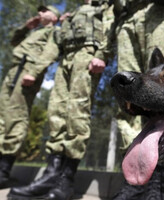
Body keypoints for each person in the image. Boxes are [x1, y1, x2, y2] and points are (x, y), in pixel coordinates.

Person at [8, 1, 114, 200]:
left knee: (77, 112)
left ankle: (66, 180)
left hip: (87, 54)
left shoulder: (105, 7)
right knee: (56, 112)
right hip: (66, 58)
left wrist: (102, 54)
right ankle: (51, 175)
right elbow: (54, 43)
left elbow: (110, 27)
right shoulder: (73, 14)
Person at [112, 0, 164, 199]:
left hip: (157, 13)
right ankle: (133, 181)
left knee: (159, 95)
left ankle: (157, 185)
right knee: (127, 97)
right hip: (127, 22)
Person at [0, 5, 60, 189]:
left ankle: (3, 170)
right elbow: (14, 41)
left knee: (17, 116)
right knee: (2, 116)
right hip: (13, 72)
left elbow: (50, 52)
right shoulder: (35, 31)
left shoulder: (54, 31)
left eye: (45, 11)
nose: (40, 13)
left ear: (54, 17)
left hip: (27, 72)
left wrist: (33, 72)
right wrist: (27, 27)